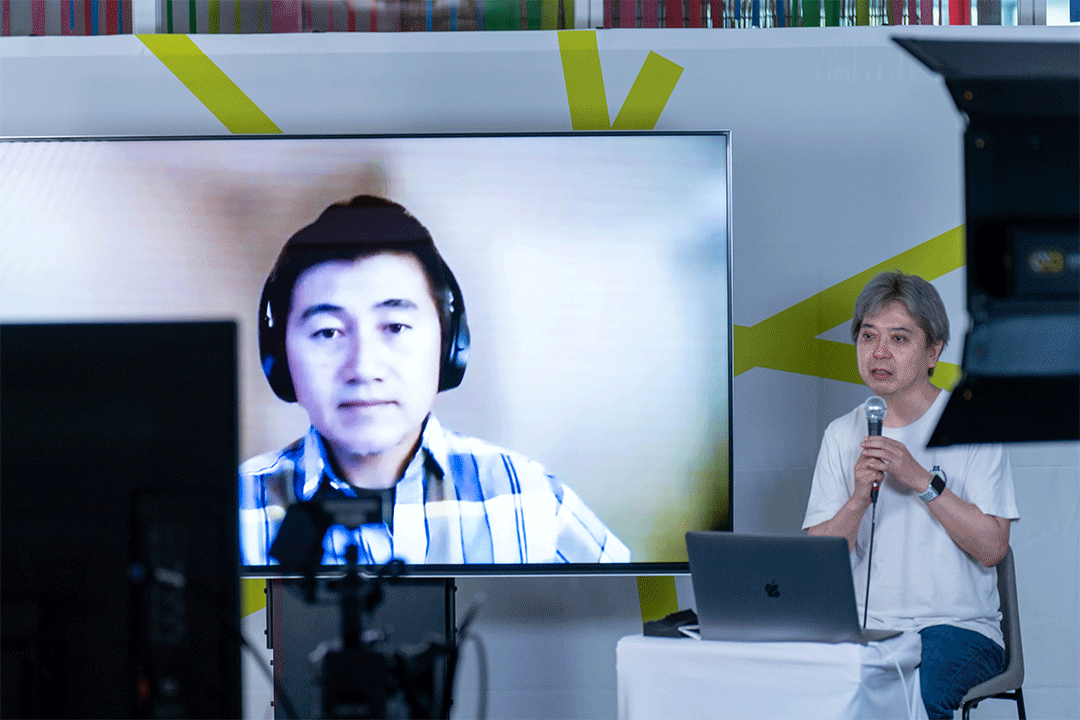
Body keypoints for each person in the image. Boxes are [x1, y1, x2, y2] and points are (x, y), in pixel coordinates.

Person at [240, 195, 630, 566]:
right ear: (279, 356)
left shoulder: (531, 503)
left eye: (395, 327)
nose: (363, 367)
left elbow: (645, 607)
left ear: (449, 343)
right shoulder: (233, 514)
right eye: (328, 332)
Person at [802, 271, 1019, 720]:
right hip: (865, 629)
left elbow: (993, 547)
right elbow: (816, 567)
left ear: (933, 352)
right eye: (868, 336)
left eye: (898, 338)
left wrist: (922, 479)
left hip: (958, 630)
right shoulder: (842, 434)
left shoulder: (973, 424)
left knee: (917, 693)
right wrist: (857, 500)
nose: (879, 352)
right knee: (808, 687)